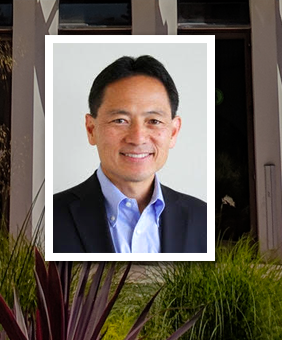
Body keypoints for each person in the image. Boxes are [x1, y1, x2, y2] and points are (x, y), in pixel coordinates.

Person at [52, 55, 207, 253]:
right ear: (91, 129)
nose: (137, 138)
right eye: (120, 120)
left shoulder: (203, 218)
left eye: (154, 121)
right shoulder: (50, 217)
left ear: (173, 132)